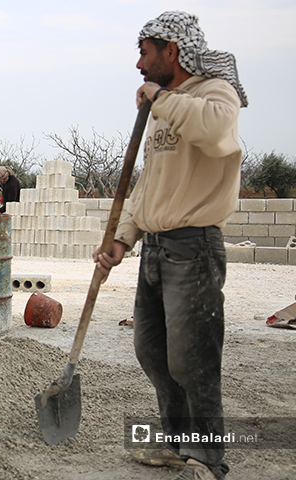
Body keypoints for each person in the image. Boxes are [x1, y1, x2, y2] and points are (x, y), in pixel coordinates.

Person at [93, 11, 247, 480]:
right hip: (157, 249)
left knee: (193, 357)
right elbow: (149, 185)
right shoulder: (164, 109)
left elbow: (217, 130)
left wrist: (160, 97)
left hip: (194, 246)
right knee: (152, 350)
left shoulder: (214, 94)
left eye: (145, 52)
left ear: (171, 51)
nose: (139, 64)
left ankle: (208, 457)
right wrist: (123, 238)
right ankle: (179, 442)